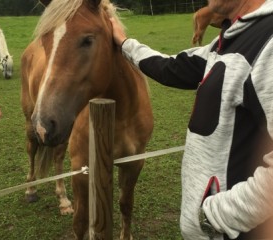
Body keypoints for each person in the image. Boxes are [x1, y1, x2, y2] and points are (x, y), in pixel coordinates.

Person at [110, 0, 273, 239]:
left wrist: (216, 217)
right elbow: (170, 67)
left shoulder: (267, 44)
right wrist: (125, 43)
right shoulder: (230, 41)